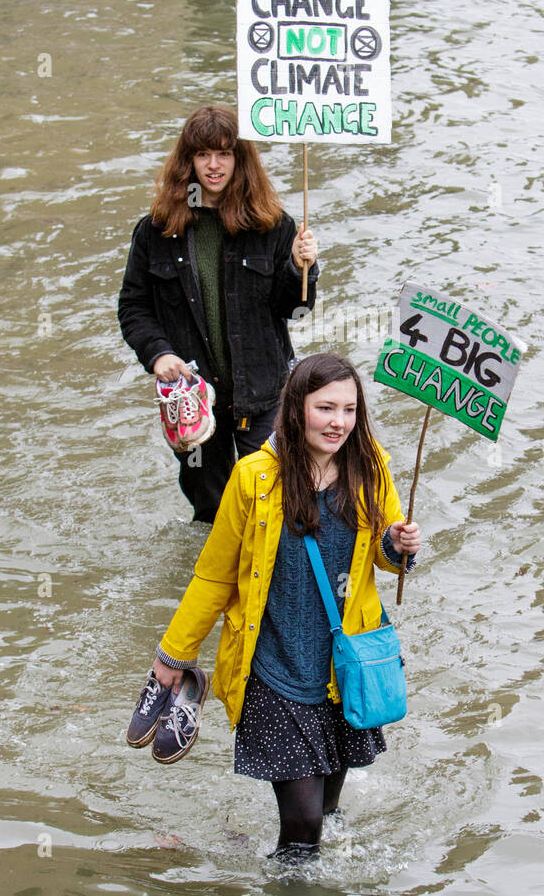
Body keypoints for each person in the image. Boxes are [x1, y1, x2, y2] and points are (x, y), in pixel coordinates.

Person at [148, 353, 422, 862]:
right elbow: (213, 576)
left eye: (349, 409)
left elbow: (386, 558)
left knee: (329, 810)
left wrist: (399, 547)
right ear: (296, 409)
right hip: (274, 669)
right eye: (325, 408)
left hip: (345, 667)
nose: (338, 422)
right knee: (302, 829)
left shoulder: (372, 465)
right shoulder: (253, 478)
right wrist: (173, 654)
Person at [117, 104, 318, 523]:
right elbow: (133, 307)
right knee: (211, 514)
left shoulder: (274, 226)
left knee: (274, 507)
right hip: (194, 400)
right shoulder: (155, 231)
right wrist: (158, 355)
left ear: (240, 160)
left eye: (224, 153)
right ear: (187, 161)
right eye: (203, 153)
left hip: (263, 394)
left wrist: (302, 269)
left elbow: (295, 310)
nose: (213, 165)